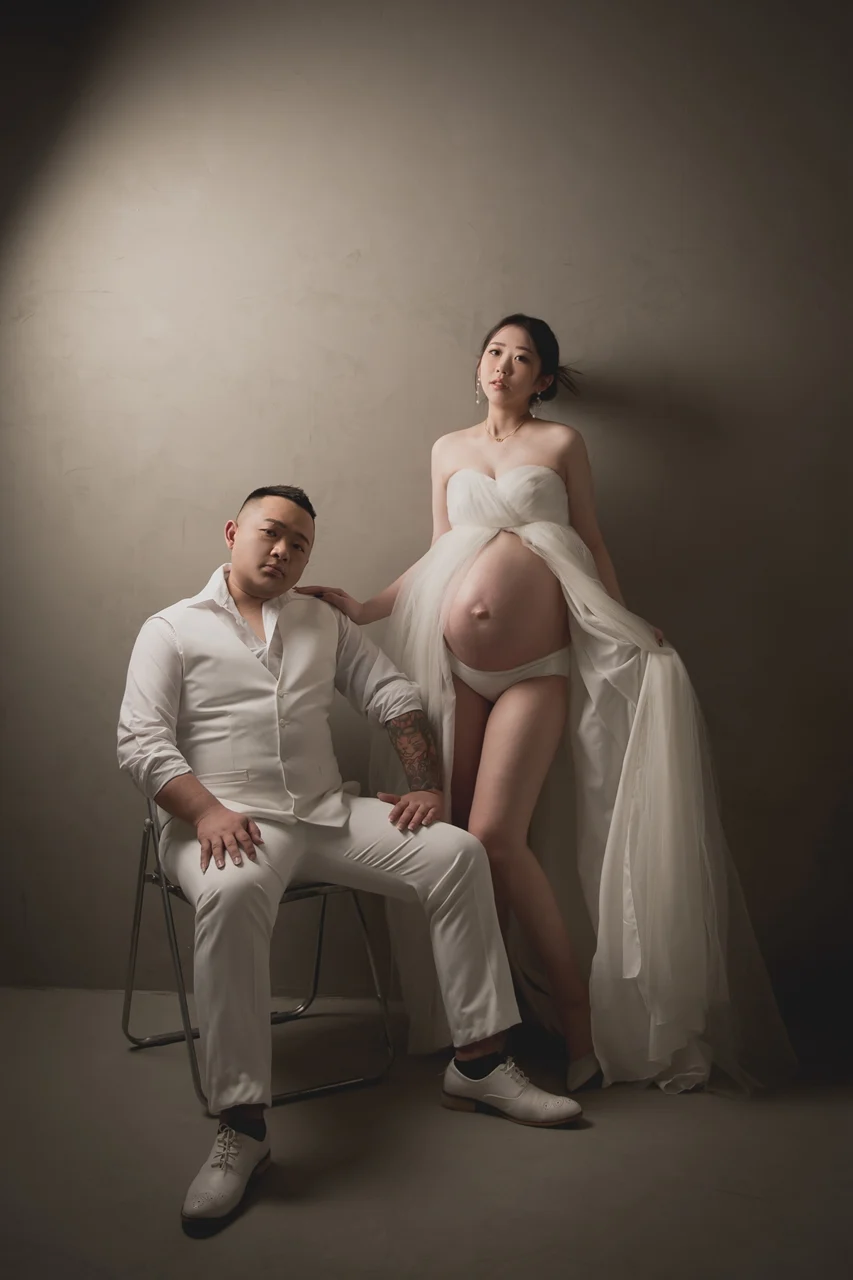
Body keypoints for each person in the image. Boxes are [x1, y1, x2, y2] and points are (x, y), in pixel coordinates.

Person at [298, 316, 796, 1095]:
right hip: (456, 668)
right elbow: (438, 554)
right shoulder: (447, 449)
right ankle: (484, 1026)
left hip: (535, 670)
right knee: (453, 844)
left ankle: (577, 1019)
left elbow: (589, 540)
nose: (503, 364)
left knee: (495, 838)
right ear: (479, 366)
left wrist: (622, 620)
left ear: (544, 380)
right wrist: (366, 609)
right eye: (495, 352)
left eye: (522, 357)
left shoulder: (560, 443)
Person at [117, 484, 582, 1231]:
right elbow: (140, 741)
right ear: (233, 531)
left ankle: (479, 1064)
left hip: (327, 814)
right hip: (227, 825)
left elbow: (393, 694)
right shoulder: (170, 628)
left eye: (299, 544)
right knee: (231, 897)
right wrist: (205, 812)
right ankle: (242, 1127)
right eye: (271, 533)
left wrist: (425, 785)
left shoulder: (320, 622)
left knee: (459, 852)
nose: (283, 551)